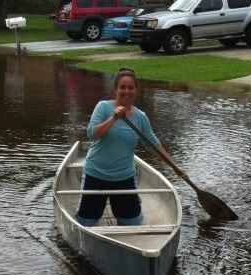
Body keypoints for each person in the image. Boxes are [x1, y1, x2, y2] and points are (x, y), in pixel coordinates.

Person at [76, 67, 181, 227]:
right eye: (122, 87)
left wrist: (174, 166)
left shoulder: (140, 117)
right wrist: (114, 118)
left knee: (132, 225)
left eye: (130, 87)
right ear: (115, 90)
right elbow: (92, 134)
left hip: (123, 177)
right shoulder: (103, 107)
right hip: (96, 175)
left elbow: (153, 144)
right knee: (86, 223)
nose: (127, 91)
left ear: (136, 90)